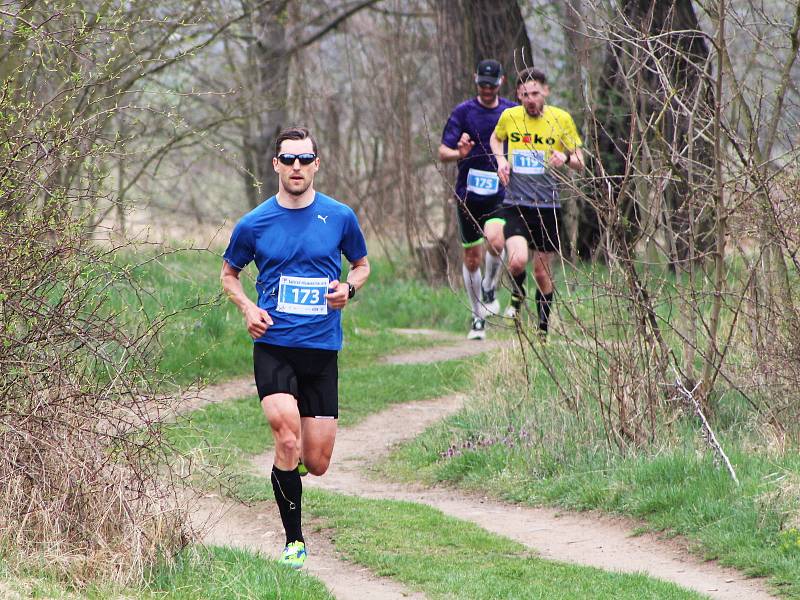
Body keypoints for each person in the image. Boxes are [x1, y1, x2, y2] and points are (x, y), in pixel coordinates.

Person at [220, 126, 370, 569]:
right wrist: (247, 307)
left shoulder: (340, 217)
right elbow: (229, 274)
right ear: (276, 165)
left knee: (317, 462)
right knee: (286, 438)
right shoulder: (254, 223)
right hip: (275, 345)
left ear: (317, 164)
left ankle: (296, 467)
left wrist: (349, 289)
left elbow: (361, 266)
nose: (297, 167)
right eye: (289, 159)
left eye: (305, 159)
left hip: (321, 349)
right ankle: (294, 541)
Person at [489, 67, 583, 336]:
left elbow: (580, 160)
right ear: (518, 95)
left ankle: (542, 331)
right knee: (517, 261)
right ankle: (517, 296)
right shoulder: (510, 117)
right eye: (524, 95)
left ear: (545, 92)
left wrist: (565, 158)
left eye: (535, 93)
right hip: (516, 202)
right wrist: (501, 159)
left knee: (542, 274)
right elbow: (496, 139)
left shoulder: (560, 119)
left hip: (548, 206)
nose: (530, 100)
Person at [439, 59, 516, 340]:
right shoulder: (463, 112)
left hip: (499, 191)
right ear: (476, 81)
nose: (486, 89)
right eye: (482, 84)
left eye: (491, 85)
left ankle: (490, 285)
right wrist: (459, 153)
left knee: (496, 241)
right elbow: (442, 152)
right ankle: (477, 316)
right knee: (472, 258)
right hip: (468, 195)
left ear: (500, 83)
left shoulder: (510, 111)